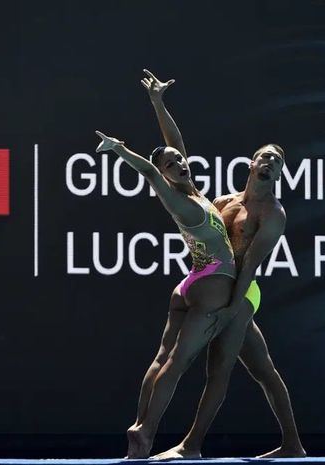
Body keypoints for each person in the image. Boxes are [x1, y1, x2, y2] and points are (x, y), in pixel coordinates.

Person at [137, 70, 305, 459]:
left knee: (219, 369)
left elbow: (250, 267)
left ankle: (191, 445)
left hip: (243, 291)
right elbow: (176, 148)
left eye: (277, 161)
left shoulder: (273, 214)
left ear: (280, 173)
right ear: (252, 162)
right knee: (263, 367)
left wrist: (233, 308)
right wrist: (159, 103)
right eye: (266, 156)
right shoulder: (226, 200)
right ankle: (293, 445)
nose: (271, 162)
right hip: (220, 286)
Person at [95, 92, 236, 457]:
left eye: (180, 160)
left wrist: (157, 103)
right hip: (211, 282)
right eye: (171, 165)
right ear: (166, 175)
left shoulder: (192, 188)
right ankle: (145, 431)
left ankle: (140, 423)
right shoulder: (176, 198)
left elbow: (175, 143)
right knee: (175, 363)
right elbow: (148, 170)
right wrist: (121, 150)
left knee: (162, 358)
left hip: (192, 280)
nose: (179, 163)